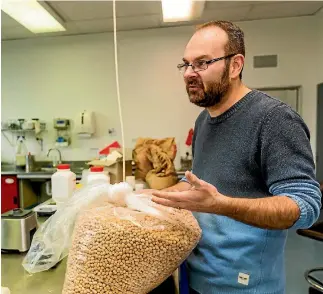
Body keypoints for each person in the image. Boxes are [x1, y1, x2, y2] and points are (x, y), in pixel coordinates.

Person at [150, 21, 322, 294]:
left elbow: (306, 206)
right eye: (186, 64)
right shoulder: (203, 121)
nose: (189, 74)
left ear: (235, 65)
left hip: (246, 287)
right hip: (197, 279)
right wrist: (149, 199)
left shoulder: (274, 119)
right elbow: (198, 181)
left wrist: (221, 205)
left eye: (203, 63)